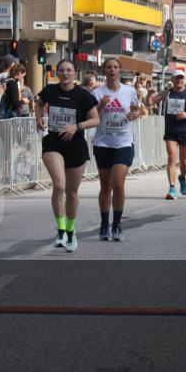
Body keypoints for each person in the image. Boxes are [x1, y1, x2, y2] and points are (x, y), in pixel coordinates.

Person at [35, 59, 99, 252]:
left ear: (75, 73)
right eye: (61, 70)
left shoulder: (83, 94)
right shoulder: (50, 90)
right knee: (59, 185)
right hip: (53, 142)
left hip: (76, 145)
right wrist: (39, 117)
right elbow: (38, 103)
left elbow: (95, 119)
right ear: (57, 73)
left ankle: (71, 231)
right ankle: (61, 230)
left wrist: (76, 126)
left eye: (69, 70)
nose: (65, 73)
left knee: (71, 192)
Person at [92, 58, 145, 241]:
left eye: (115, 67)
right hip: (102, 143)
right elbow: (89, 115)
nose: (112, 70)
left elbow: (140, 110)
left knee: (118, 183)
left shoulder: (129, 91)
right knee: (105, 186)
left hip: (124, 142)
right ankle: (104, 224)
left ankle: (117, 224)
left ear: (120, 71)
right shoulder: (97, 92)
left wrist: (135, 114)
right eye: (109, 67)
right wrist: (101, 105)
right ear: (104, 70)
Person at [150, 70, 186, 200]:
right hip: (171, 129)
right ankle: (172, 188)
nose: (179, 80)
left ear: (184, 80)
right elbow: (149, 102)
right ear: (172, 80)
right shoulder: (167, 93)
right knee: (171, 157)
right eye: (177, 78)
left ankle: (182, 177)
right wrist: (149, 94)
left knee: (184, 161)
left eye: (181, 78)